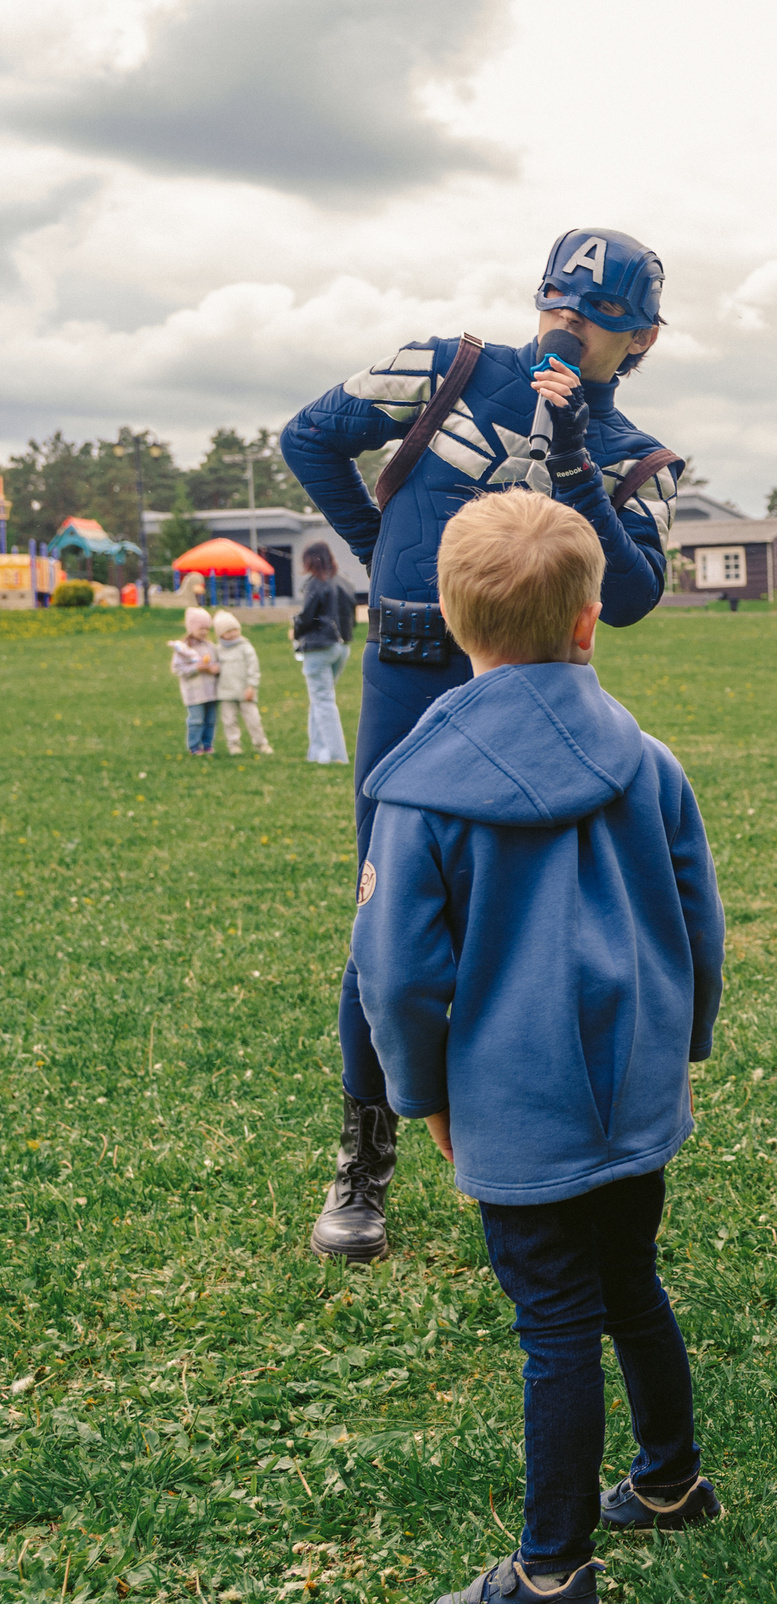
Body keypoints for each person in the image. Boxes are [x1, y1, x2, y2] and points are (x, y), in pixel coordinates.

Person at [351, 490, 725, 1604]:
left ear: (457, 627)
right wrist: (687, 1043)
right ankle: (669, 1480)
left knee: (556, 1321)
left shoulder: (420, 785)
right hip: (636, 1081)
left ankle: (554, 1575)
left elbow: (400, 975)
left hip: (517, 1101)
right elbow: (699, 919)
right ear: (588, 621)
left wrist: (423, 1096)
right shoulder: (649, 759)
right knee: (630, 1281)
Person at [283, 227, 686, 1265]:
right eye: (559, 297)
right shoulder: (443, 366)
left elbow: (635, 595)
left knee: (535, 922)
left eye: (598, 314)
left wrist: (576, 451)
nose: (568, 320)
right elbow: (308, 437)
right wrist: (387, 563)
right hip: (410, 671)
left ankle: (546, 1140)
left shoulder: (641, 453)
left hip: (538, 695)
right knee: (388, 911)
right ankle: (364, 1157)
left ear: (638, 338)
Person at [291, 543, 356, 764]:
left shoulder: (314, 584)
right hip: (341, 646)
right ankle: (316, 753)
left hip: (319, 647)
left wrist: (295, 629)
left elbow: (306, 616)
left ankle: (336, 755)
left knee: (323, 700)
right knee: (319, 699)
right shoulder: (344, 581)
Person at [209, 609, 274, 756]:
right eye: (228, 631)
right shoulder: (217, 650)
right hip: (226, 692)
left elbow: (253, 668)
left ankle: (261, 744)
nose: (232, 634)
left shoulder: (245, 647)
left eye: (235, 630)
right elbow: (215, 667)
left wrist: (251, 686)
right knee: (229, 721)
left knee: (253, 719)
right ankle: (234, 745)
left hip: (245, 691)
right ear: (220, 634)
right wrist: (214, 669)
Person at [168, 607, 220, 755]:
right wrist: (197, 668)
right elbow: (177, 669)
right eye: (200, 628)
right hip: (195, 693)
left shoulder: (210, 646)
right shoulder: (184, 649)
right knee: (196, 720)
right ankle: (194, 746)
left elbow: (217, 662)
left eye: (207, 629)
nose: (204, 632)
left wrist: (217, 668)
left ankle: (207, 744)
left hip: (211, 692)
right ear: (191, 628)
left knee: (210, 721)